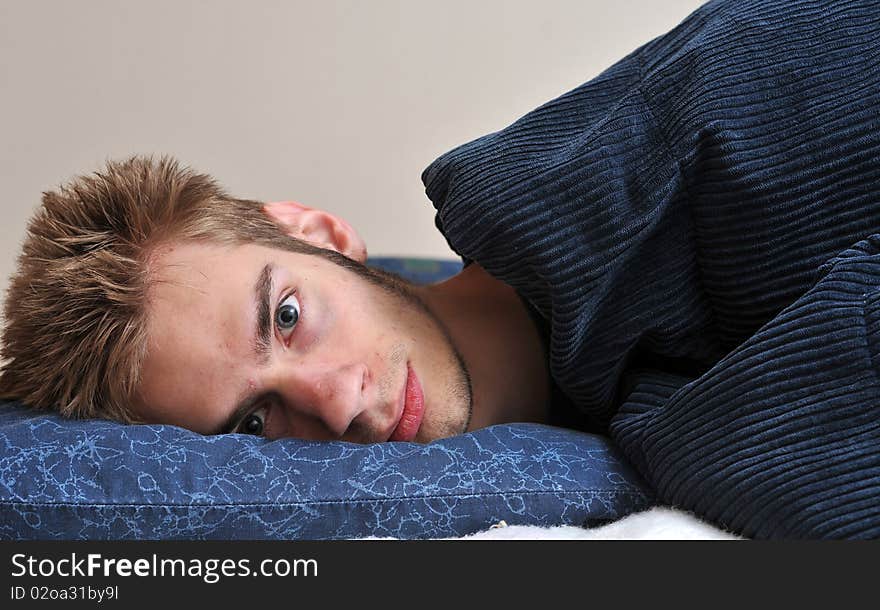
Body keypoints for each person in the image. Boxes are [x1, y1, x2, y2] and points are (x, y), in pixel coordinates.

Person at [2, 0, 879, 538]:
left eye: (287, 318)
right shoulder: (659, 429)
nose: (335, 404)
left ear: (314, 231)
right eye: (252, 427)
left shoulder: (707, 128)